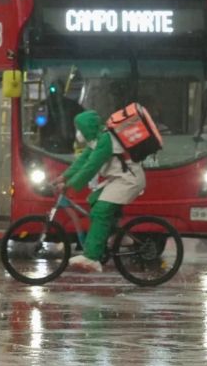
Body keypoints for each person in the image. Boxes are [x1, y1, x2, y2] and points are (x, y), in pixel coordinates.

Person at [52, 110, 146, 272]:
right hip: (119, 179)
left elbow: (91, 166)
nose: (79, 133)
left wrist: (70, 185)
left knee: (101, 211)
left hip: (128, 180)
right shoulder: (96, 140)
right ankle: (118, 235)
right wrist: (63, 177)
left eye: (80, 129)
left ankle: (92, 258)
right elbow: (82, 161)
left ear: (87, 128)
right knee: (94, 200)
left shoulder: (105, 140)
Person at [38, 80, 85, 154]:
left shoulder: (71, 105)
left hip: (65, 144)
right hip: (49, 144)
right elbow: (39, 123)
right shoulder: (43, 105)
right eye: (55, 89)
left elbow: (84, 116)